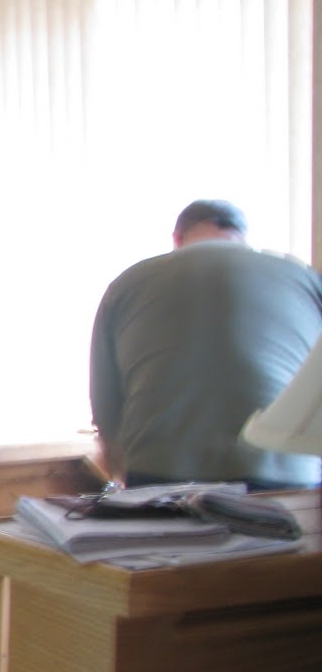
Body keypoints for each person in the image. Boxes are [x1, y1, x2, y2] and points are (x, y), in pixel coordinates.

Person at [89, 199, 322, 490]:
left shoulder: (128, 282)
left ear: (177, 238)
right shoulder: (303, 278)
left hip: (161, 471)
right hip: (286, 470)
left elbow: (105, 400)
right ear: (242, 237)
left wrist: (120, 469)